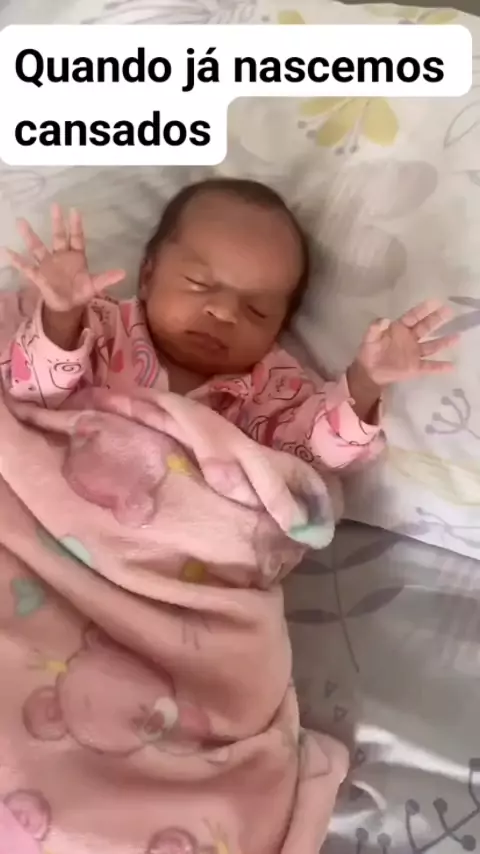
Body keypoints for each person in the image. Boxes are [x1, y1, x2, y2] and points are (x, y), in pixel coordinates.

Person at [0, 178, 458, 473]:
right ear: (148, 275)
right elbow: (30, 391)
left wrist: (366, 380)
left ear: (280, 327)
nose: (223, 312)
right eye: (200, 283)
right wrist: (61, 315)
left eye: (256, 310)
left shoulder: (272, 389)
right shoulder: (98, 325)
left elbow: (318, 453)